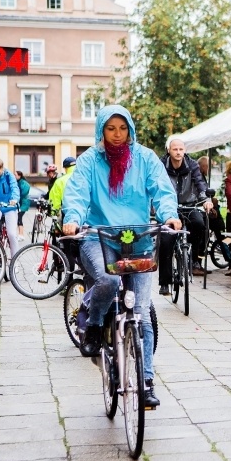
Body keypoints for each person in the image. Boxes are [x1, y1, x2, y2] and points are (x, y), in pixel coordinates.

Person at [62, 105, 181, 408]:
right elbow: (76, 192)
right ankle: (93, 321)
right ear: (101, 130)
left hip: (139, 238)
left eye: (122, 128)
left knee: (141, 309)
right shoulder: (89, 160)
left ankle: (146, 382)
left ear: (130, 129)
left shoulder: (145, 158)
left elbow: (162, 190)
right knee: (106, 281)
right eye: (111, 129)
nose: (117, 135)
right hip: (98, 237)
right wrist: (73, 217)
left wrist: (169, 215)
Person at [157, 137, 213, 295]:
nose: (178, 152)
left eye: (181, 149)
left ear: (184, 151)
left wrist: (206, 200)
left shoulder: (192, 165)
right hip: (169, 208)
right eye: (175, 149)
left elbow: (200, 183)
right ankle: (165, 283)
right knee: (166, 240)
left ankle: (194, 258)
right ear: (169, 150)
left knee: (199, 224)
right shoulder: (161, 165)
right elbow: (155, 184)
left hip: (189, 204)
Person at [0, 158, 20, 256]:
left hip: (9, 206)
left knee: (12, 234)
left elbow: (14, 187)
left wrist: (14, 199)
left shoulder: (8, 176)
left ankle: (15, 259)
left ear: (2, 168)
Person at [15, 171, 30, 241]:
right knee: (18, 218)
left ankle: (21, 235)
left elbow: (23, 193)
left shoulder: (23, 183)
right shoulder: (20, 182)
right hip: (21, 203)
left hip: (23, 204)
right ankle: (20, 234)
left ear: (19, 176)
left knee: (19, 218)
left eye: (15, 175)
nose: (14, 176)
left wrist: (17, 198)